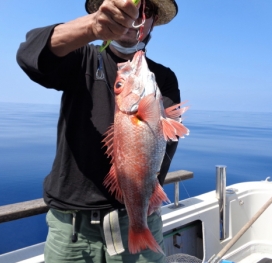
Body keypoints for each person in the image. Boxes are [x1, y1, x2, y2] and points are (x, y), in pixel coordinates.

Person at [17, 0, 180, 262]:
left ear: (153, 22)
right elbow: (29, 54)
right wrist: (93, 28)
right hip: (71, 227)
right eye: (128, 7)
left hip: (137, 218)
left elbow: (163, 137)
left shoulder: (163, 77)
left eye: (146, 10)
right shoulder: (81, 57)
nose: (137, 16)